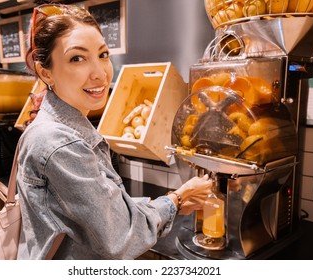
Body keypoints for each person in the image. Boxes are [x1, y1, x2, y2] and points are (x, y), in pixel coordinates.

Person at [16, 3, 212, 260]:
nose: (99, 73)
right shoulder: (60, 143)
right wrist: (175, 200)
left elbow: (106, 211)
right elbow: (120, 236)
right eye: (77, 58)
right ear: (46, 72)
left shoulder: (57, 128)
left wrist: (170, 204)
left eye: (103, 55)